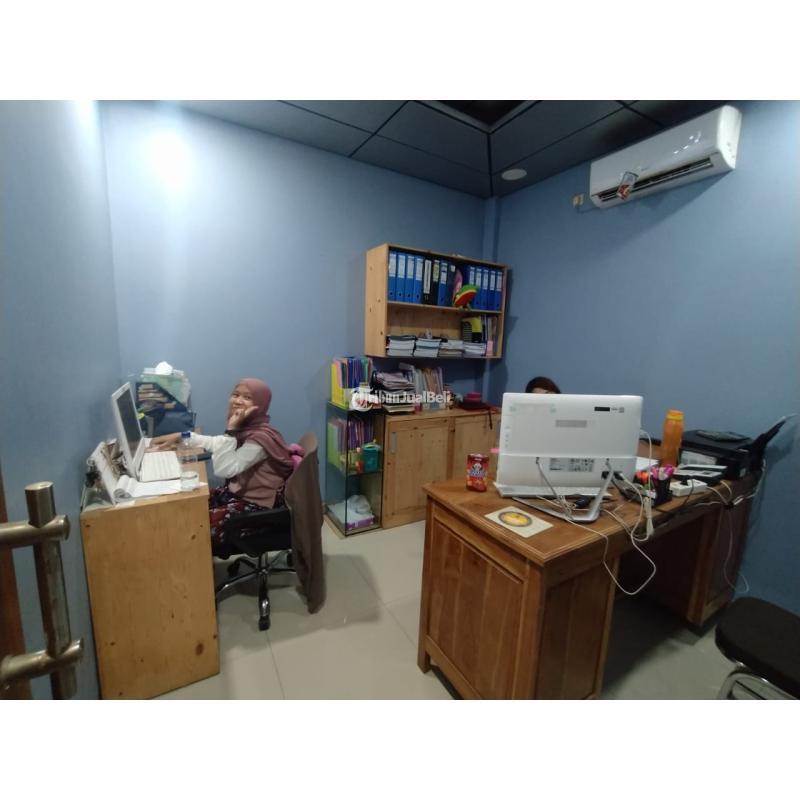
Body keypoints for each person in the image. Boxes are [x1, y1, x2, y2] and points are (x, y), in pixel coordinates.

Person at [152, 378, 295, 556]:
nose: (238, 401)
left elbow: (224, 470)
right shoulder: (247, 429)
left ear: (260, 405)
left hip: (259, 507)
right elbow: (215, 443)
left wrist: (230, 430)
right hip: (239, 494)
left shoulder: (259, 439)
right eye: (235, 395)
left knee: (194, 528)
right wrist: (182, 435)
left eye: (247, 397)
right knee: (189, 507)